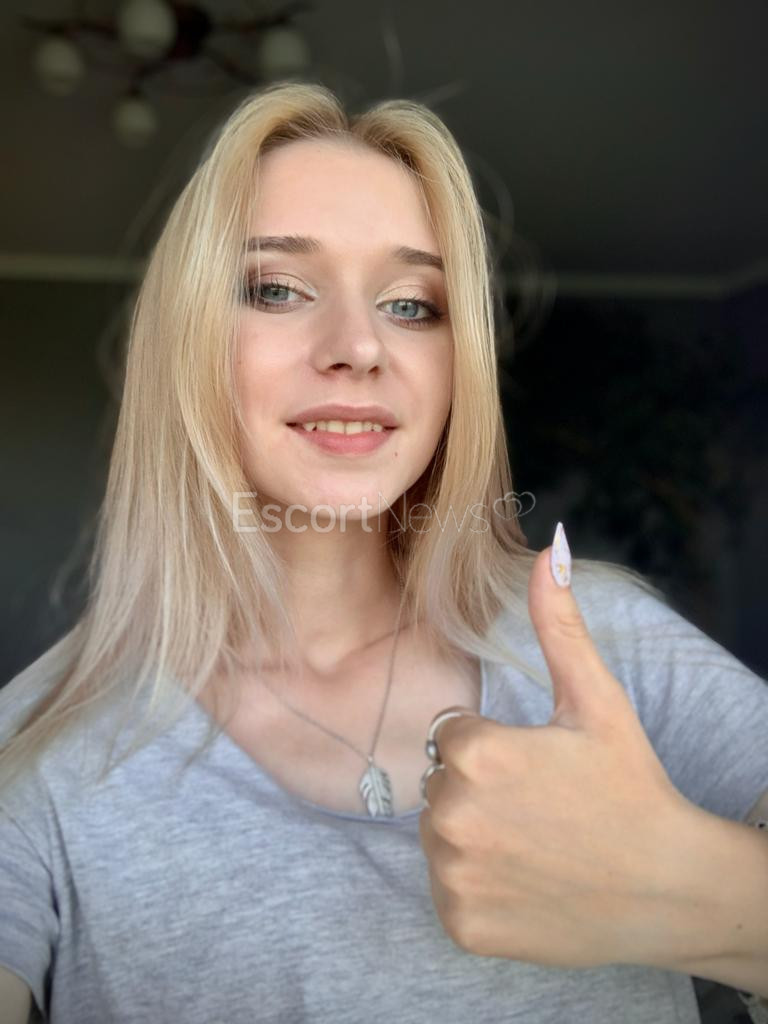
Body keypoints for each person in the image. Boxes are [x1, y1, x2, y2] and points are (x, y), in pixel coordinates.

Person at [1, 81, 767, 1024]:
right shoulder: (39, 748)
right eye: (277, 289)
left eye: (412, 304)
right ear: (183, 340)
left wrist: (678, 887)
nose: (359, 347)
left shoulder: (611, 649)